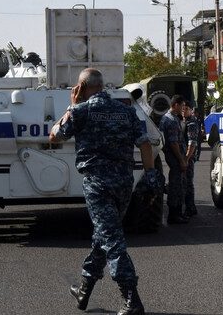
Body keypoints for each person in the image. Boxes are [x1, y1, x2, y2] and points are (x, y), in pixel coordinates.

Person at [49, 68, 162, 315]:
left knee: (112, 241)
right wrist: (151, 176)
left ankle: (131, 299)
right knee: (104, 236)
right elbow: (144, 143)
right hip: (123, 183)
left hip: (97, 185)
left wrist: (71, 106)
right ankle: (84, 290)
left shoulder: (81, 111)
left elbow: (54, 137)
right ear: (103, 86)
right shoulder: (125, 111)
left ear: (80, 87)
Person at [159, 94, 188, 224]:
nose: (183, 108)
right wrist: (181, 160)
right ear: (175, 105)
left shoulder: (171, 118)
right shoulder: (170, 120)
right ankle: (173, 215)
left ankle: (177, 213)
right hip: (175, 157)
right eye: (181, 105)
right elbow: (173, 143)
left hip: (176, 156)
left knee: (178, 185)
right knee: (175, 186)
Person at [182, 102, 199, 217]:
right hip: (183, 157)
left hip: (188, 157)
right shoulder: (183, 121)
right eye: (182, 109)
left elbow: (192, 142)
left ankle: (190, 207)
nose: (184, 111)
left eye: (186, 109)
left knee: (188, 183)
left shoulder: (191, 123)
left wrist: (187, 158)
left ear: (191, 110)